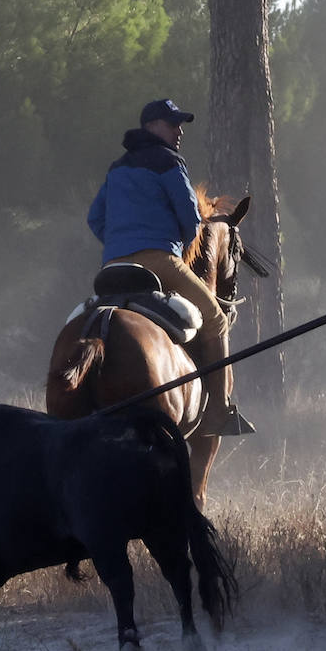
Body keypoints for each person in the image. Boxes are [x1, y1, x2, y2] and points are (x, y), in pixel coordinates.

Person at [87, 99, 231, 436]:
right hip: (159, 260)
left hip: (113, 266)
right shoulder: (170, 162)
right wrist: (177, 246)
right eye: (173, 123)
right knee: (217, 321)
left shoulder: (117, 168)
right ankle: (221, 411)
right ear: (152, 126)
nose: (179, 131)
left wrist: (118, 243)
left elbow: (95, 218)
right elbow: (191, 217)